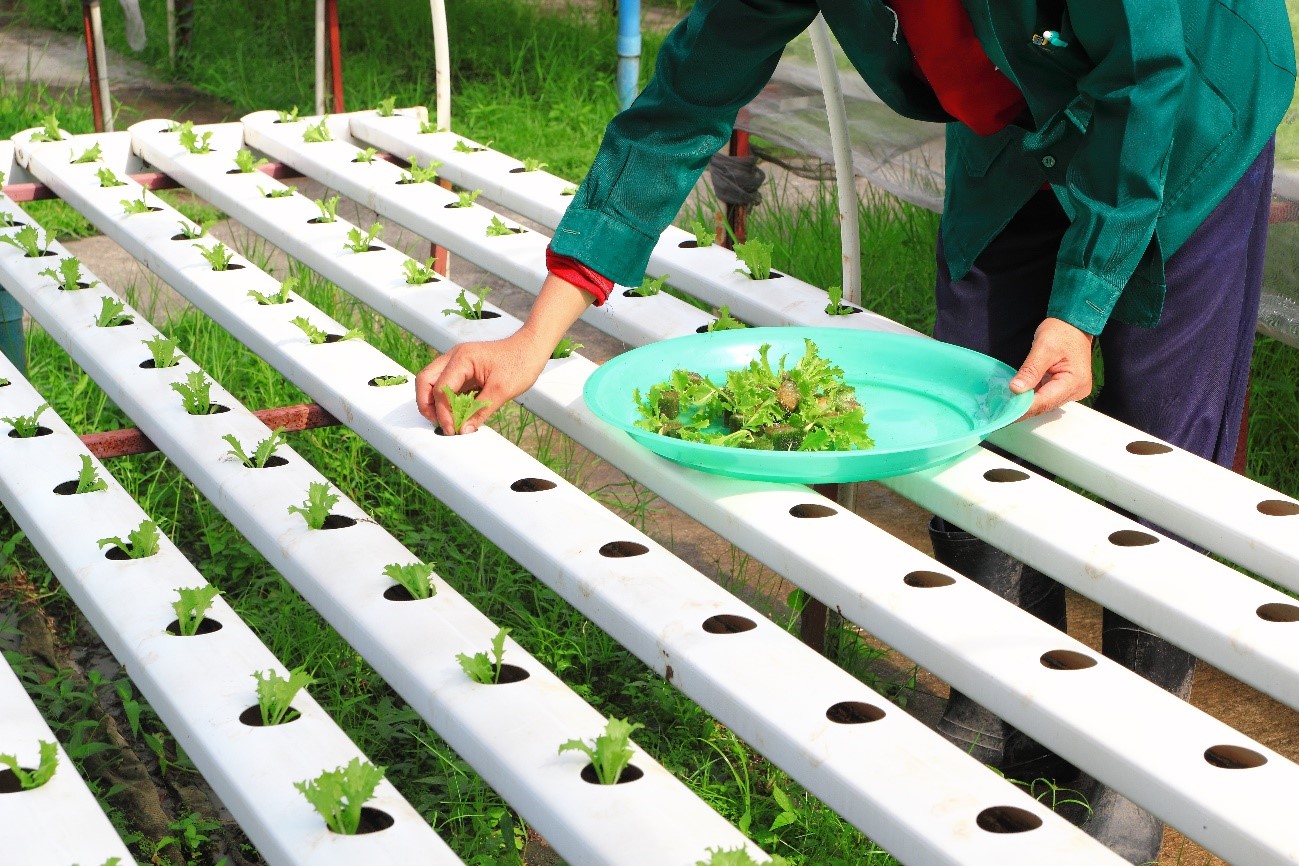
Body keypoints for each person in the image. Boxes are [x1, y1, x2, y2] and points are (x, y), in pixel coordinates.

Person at [417, 1, 1295, 862]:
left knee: (1157, 421)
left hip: (1183, 102)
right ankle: (1004, 703)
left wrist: (1082, 303)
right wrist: (538, 333)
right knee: (979, 381)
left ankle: (1135, 758)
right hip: (1011, 96)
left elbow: (1145, 71)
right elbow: (688, 96)